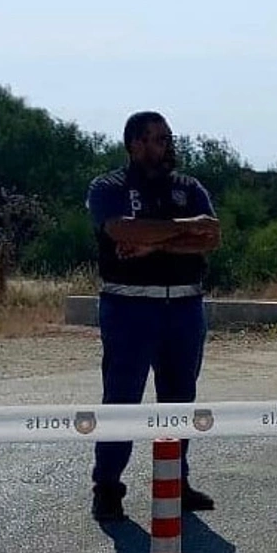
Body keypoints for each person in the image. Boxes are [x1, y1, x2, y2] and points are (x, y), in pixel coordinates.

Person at [85, 111, 223, 522]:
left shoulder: (189, 187)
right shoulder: (109, 186)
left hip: (183, 306)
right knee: (122, 400)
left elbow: (210, 236)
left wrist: (156, 242)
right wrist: (182, 229)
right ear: (133, 143)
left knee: (179, 399)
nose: (161, 146)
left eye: (165, 139)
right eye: (152, 139)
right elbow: (122, 231)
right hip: (129, 306)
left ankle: (174, 483)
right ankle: (107, 488)